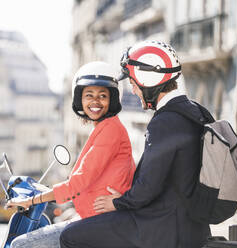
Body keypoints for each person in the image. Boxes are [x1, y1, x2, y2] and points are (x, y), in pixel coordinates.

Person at [59, 41, 211, 248]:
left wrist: (116, 202)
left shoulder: (165, 122)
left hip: (160, 226)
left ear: (147, 78)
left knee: (70, 235)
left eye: (132, 82)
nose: (132, 90)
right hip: (190, 224)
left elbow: (147, 187)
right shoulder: (196, 112)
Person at [5, 61, 136, 248]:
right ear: (79, 99)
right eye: (88, 95)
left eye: (103, 96)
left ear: (113, 99)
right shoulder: (106, 127)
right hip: (95, 218)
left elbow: (79, 182)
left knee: (21, 244)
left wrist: (30, 200)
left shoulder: (110, 131)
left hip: (100, 221)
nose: (95, 101)